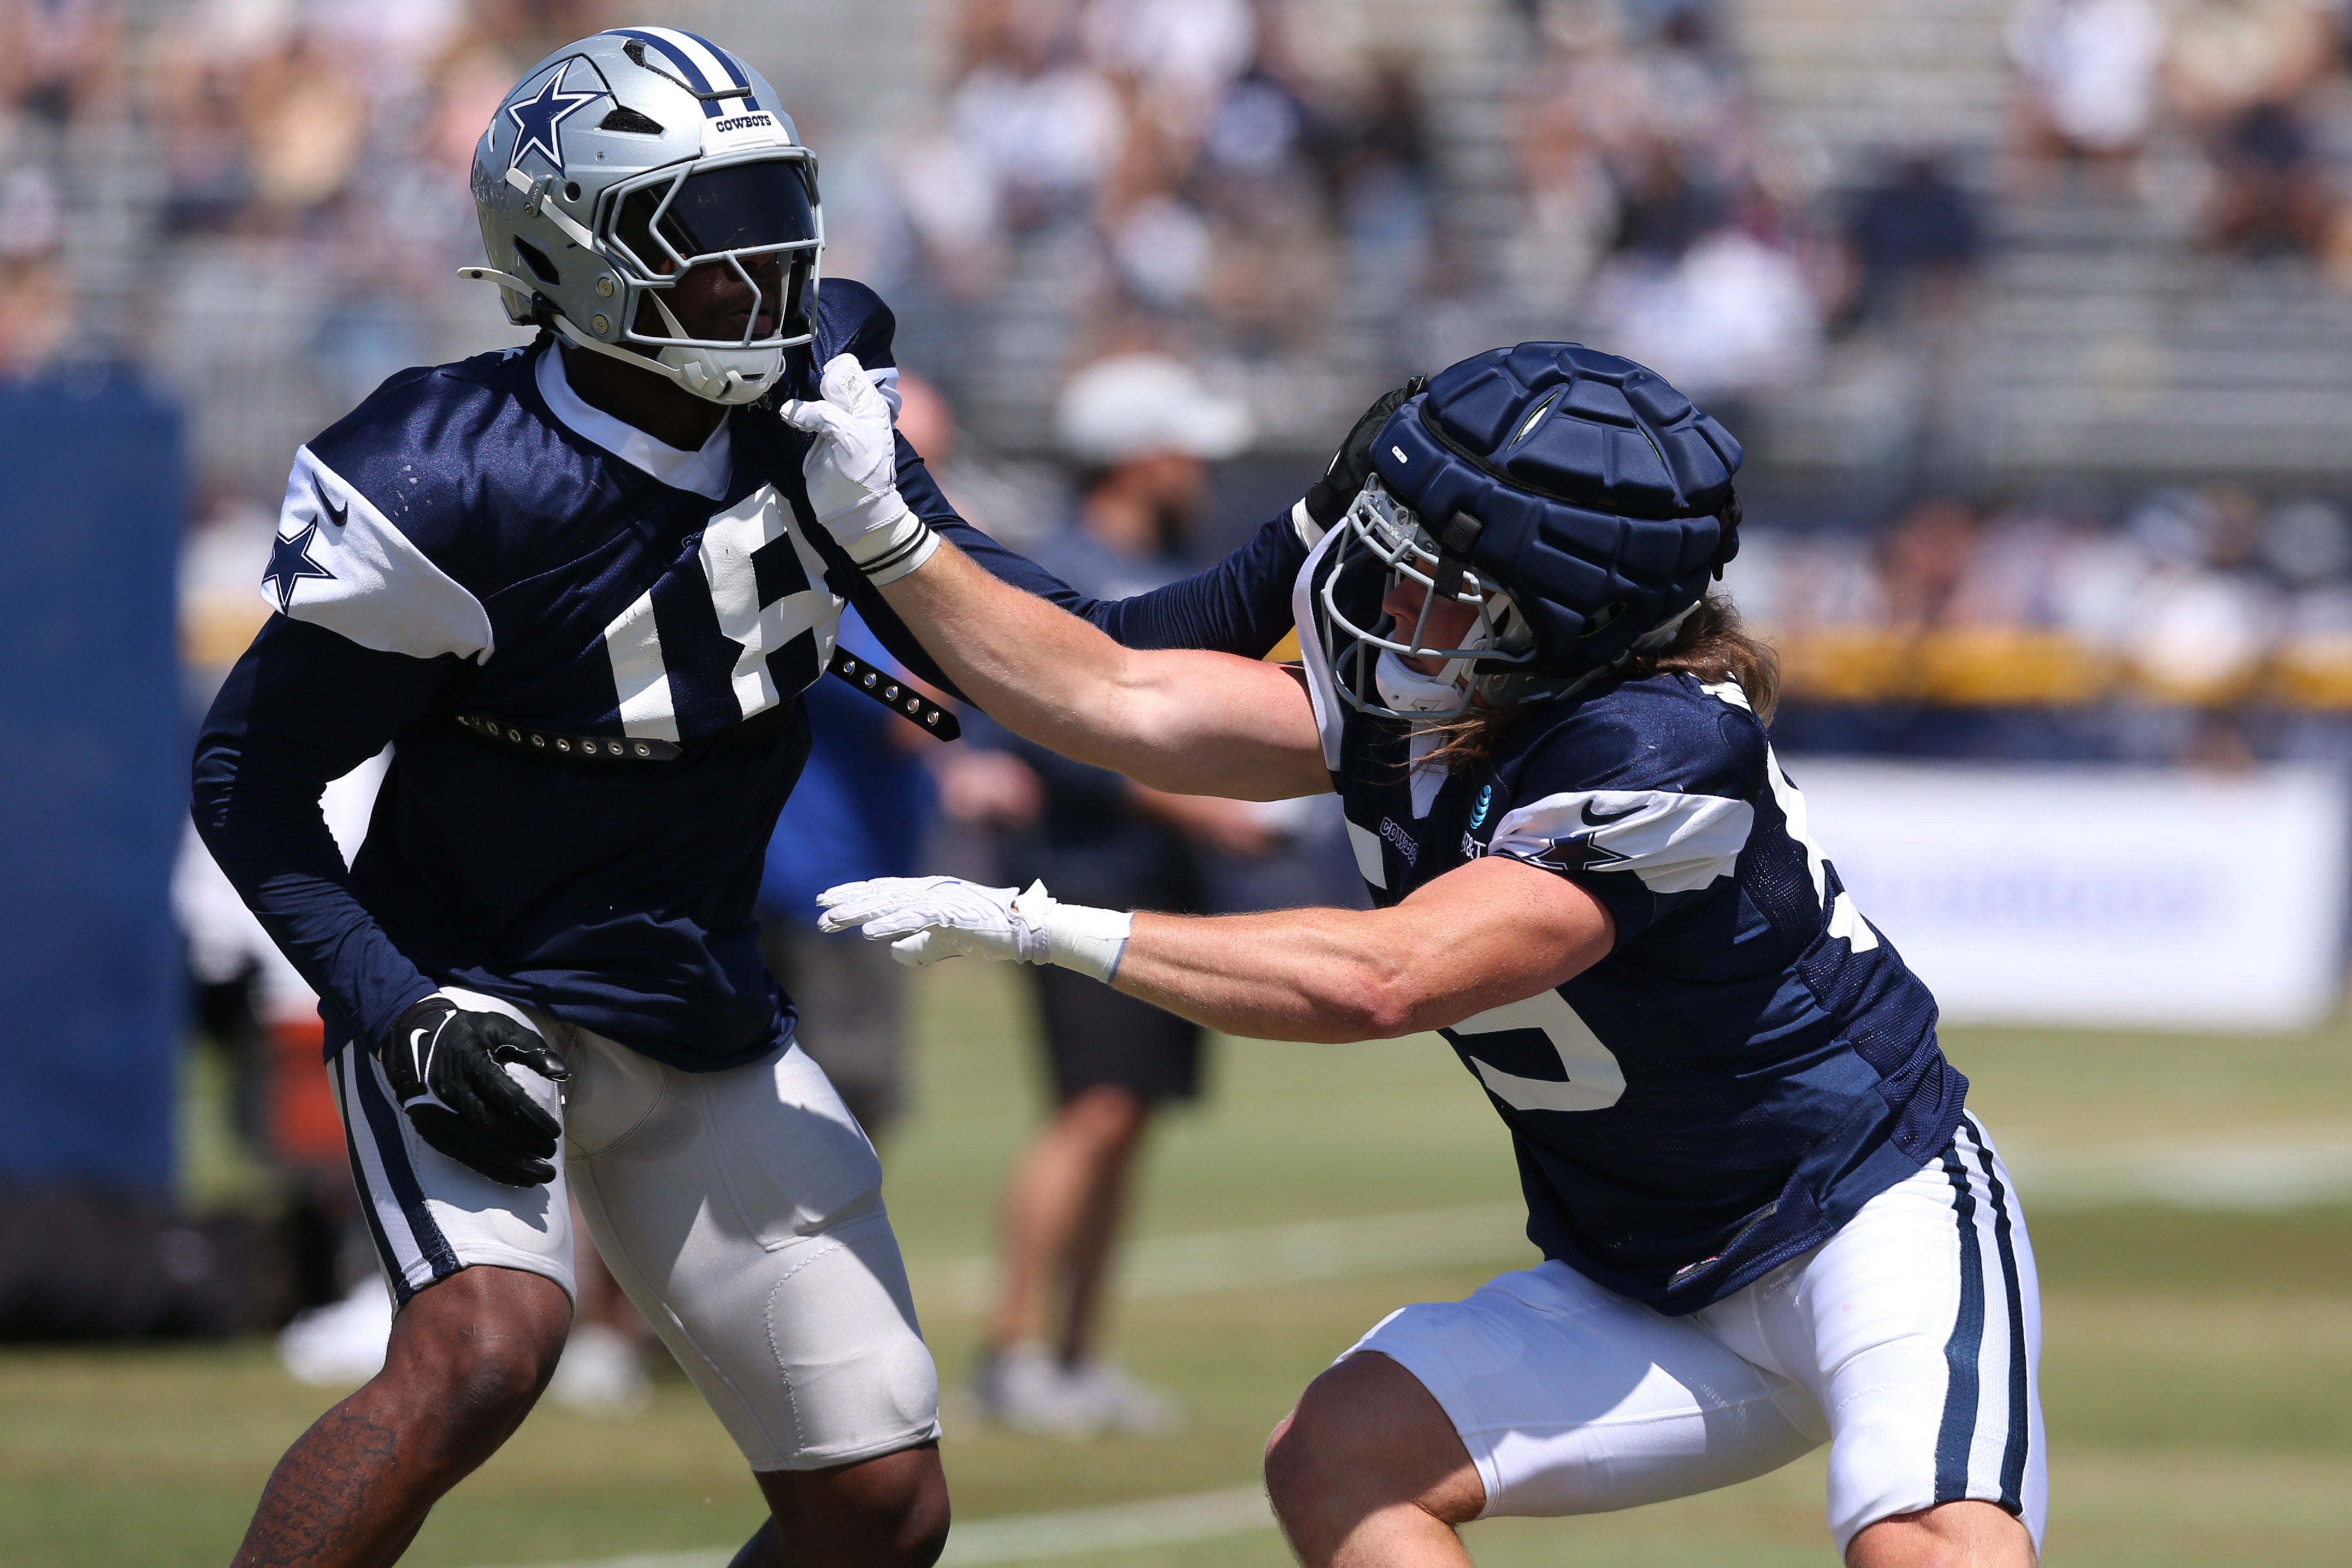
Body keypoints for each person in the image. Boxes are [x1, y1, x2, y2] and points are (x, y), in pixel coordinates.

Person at [191, 27, 1319, 1567]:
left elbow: (1085, 647)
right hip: (477, 986)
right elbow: (249, 777)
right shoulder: (446, 478)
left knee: (878, 1505)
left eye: (772, 208)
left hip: (696, 999)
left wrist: (1318, 523)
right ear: (567, 253)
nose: (764, 266)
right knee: (486, 1350)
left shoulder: (821, 390)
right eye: (702, 231)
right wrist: (391, 1000)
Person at [790, 340, 2045, 1567]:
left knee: (1924, 1541)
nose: (1385, 602)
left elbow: (1382, 976)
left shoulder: (1656, 754)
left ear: (1560, 619)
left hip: (1859, 1219)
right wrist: (891, 522)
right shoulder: (1445, 687)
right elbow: (1121, 691)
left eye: (1436, 578)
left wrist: (1041, 924)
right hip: (1639, 1265)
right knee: (1342, 1459)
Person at [966, 353, 1277, 1435]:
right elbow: (1050, 733)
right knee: (1090, 1112)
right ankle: (1009, 1352)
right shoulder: (1067, 569)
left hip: (1159, 883)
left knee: (1125, 1116)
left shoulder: (1165, 562)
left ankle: (1076, 1351)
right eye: (1184, 447)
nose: (1200, 468)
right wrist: (1206, 809)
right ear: (1140, 458)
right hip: (1083, 878)